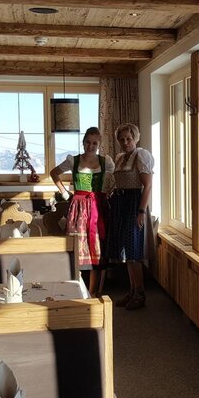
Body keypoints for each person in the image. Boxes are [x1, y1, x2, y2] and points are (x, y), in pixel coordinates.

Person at [49, 127, 114, 296]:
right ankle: (76, 291)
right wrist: (65, 194)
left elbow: (116, 178)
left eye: (94, 143)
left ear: (99, 144)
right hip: (78, 209)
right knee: (78, 246)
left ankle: (92, 293)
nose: (90, 146)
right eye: (87, 142)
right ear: (83, 142)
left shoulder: (106, 161)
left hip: (97, 208)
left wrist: (107, 193)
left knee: (96, 248)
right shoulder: (74, 160)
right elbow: (54, 173)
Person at [105, 123, 154, 310]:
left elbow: (147, 186)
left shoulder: (142, 155)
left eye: (129, 138)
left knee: (133, 252)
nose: (125, 142)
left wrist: (141, 212)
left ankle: (140, 294)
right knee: (126, 252)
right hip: (120, 204)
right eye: (122, 139)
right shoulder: (120, 158)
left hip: (134, 204)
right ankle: (132, 291)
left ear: (135, 138)